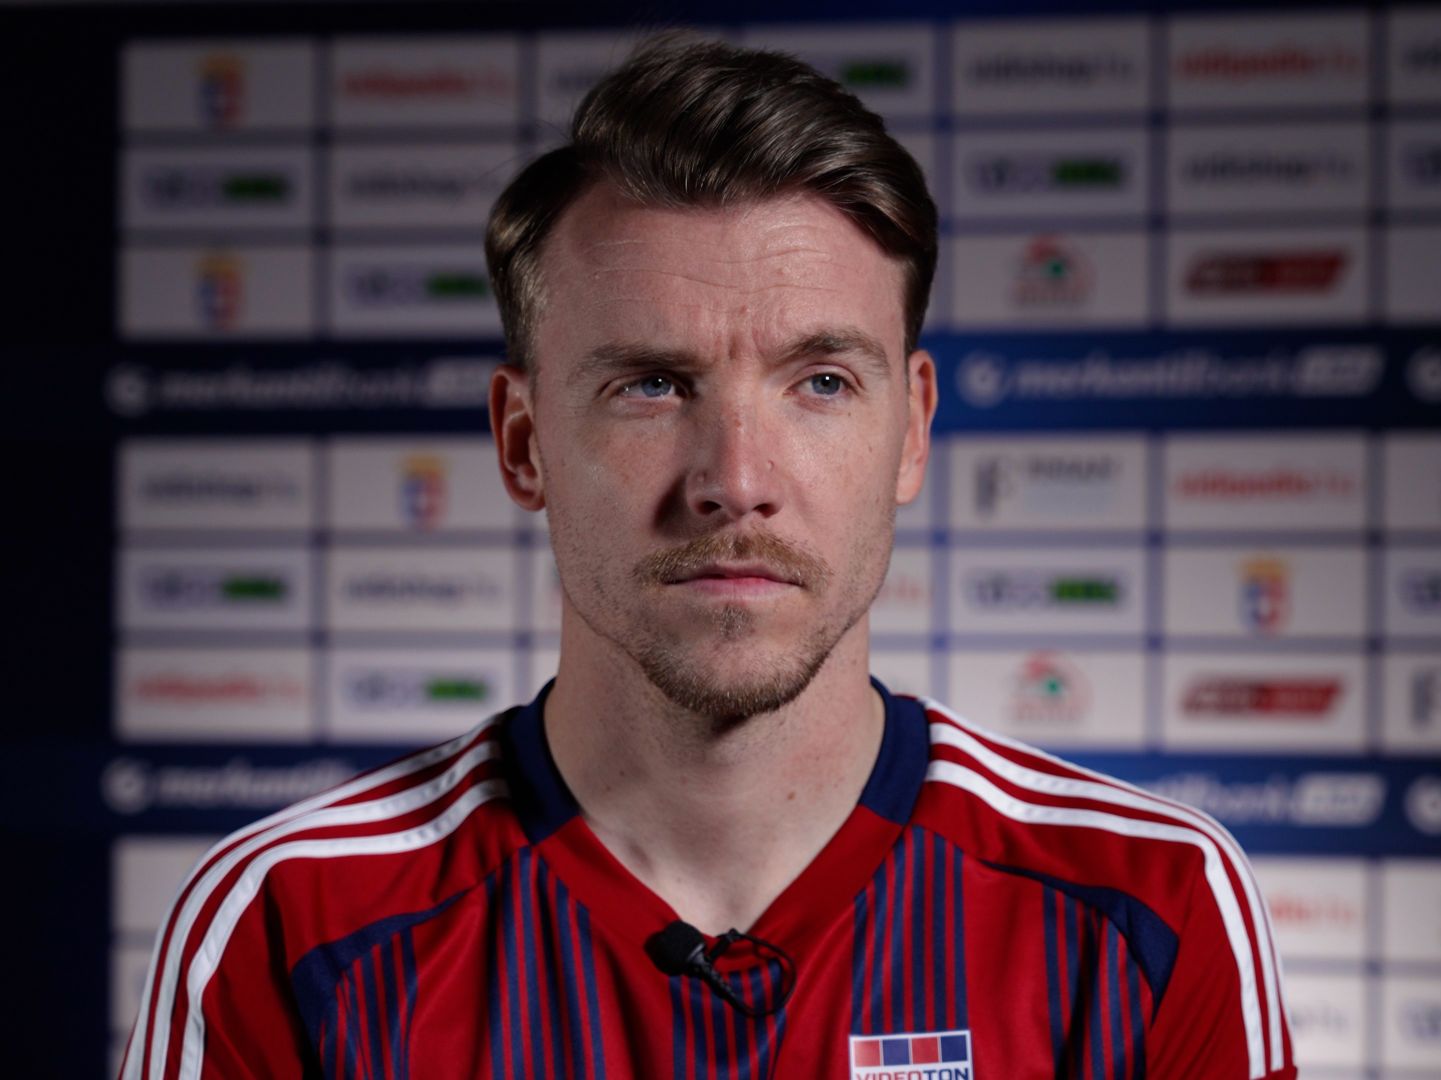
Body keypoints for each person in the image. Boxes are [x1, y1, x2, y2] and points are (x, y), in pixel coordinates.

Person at [120, 33, 1294, 1080]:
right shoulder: (290, 925)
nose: (735, 479)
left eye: (820, 382)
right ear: (523, 443)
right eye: (650, 384)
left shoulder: (1151, 906)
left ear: (912, 432)